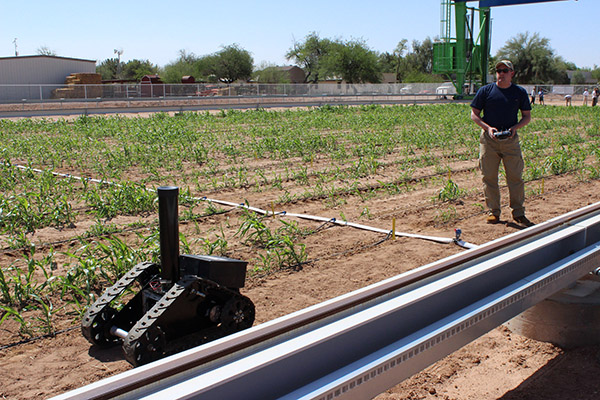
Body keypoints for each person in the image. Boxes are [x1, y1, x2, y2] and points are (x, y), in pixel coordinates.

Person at [470, 60, 533, 227]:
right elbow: (474, 114)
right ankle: (493, 212)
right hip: (489, 141)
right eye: (498, 70)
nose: (501, 73)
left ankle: (518, 213)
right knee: (489, 177)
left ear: (512, 73)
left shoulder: (519, 92)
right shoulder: (486, 91)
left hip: (510, 141)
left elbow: (527, 116)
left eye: (505, 70)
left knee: (515, 177)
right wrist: (488, 128)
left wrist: (514, 128)